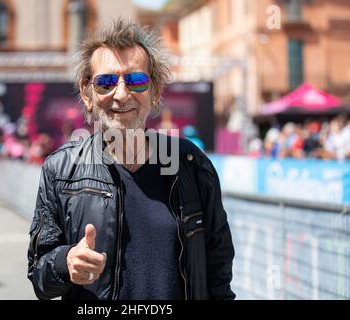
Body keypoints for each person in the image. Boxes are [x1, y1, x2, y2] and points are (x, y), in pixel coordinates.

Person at [27, 18, 235, 300]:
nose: (122, 94)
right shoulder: (59, 170)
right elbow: (40, 277)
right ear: (87, 93)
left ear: (156, 91)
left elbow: (218, 270)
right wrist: (66, 263)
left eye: (136, 81)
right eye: (106, 82)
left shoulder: (191, 165)